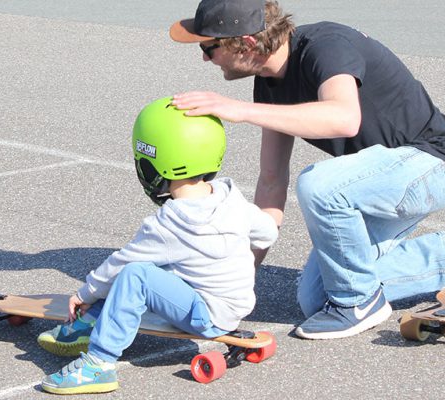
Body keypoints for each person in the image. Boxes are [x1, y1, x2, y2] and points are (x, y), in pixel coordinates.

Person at [169, 0, 445, 340]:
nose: (205, 57)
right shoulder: (268, 83)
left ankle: (358, 305)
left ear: (247, 43)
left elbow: (344, 118)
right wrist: (241, 277)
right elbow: (271, 182)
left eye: (209, 47)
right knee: (317, 299)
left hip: (433, 165)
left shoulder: (326, 47)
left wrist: (240, 110)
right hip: (379, 185)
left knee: (318, 184)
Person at [38, 97, 278, 394]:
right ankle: (94, 322)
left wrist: (85, 292)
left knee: (134, 274)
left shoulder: (169, 224)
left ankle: (98, 364)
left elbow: (121, 263)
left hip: (206, 315)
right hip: (232, 308)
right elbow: (268, 233)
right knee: (155, 267)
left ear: (155, 162)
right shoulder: (231, 199)